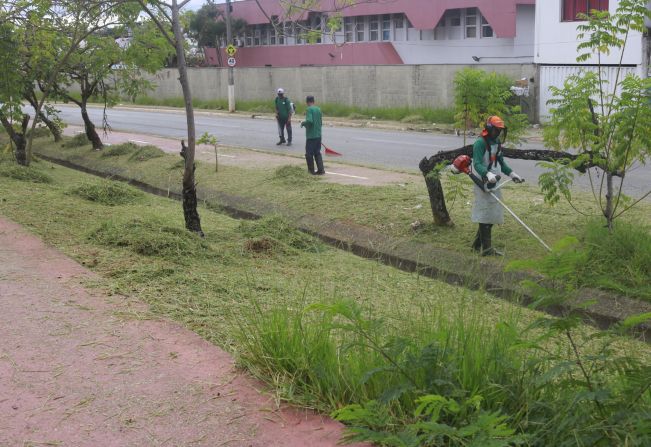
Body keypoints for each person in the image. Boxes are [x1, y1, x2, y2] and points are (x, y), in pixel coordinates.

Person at [471, 115, 523, 256]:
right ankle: (487, 250)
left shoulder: (497, 143)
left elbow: (500, 162)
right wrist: (487, 174)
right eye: (496, 130)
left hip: (495, 180)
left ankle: (477, 244)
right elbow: (476, 164)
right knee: (486, 213)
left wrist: (512, 174)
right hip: (482, 180)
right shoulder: (480, 143)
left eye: (500, 130)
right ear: (489, 128)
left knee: (491, 213)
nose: (498, 133)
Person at [300, 95, 324, 175]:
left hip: (311, 136)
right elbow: (320, 122)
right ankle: (321, 170)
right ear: (314, 101)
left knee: (309, 154)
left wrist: (303, 123)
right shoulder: (318, 109)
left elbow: (310, 121)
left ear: (307, 102)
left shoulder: (309, 109)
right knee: (317, 152)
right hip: (318, 135)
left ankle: (311, 171)